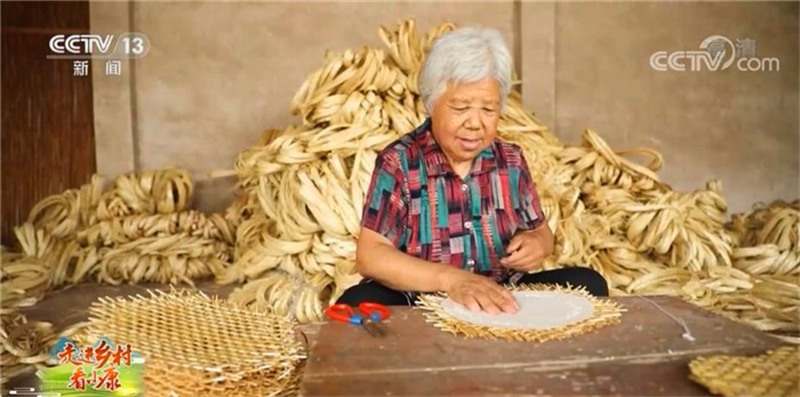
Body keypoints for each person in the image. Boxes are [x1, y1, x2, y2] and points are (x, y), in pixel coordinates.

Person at [337, 27, 608, 314]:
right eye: (461, 107)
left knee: (589, 284)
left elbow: (540, 231)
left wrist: (537, 244)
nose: (475, 123)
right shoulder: (400, 162)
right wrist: (453, 281)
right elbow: (371, 255)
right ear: (431, 104)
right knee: (356, 304)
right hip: (422, 301)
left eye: (488, 110)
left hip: (500, 293)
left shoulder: (511, 161)